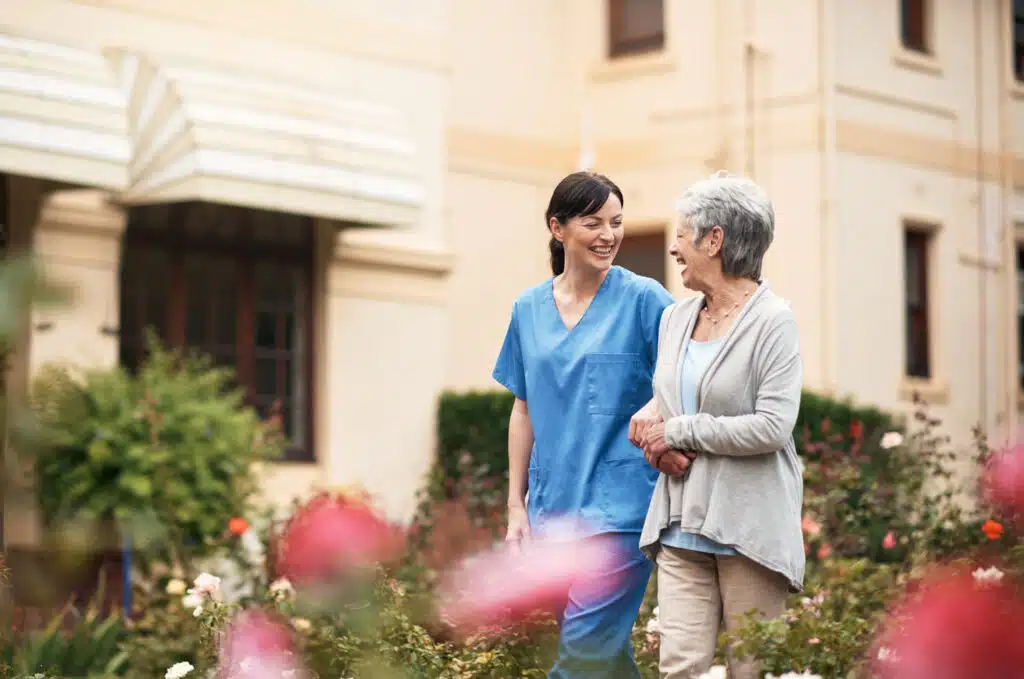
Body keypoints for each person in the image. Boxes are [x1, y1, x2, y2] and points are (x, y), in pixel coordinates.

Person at [493, 171, 675, 678]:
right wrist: (516, 505)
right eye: (593, 222)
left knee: (578, 658)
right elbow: (523, 408)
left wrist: (659, 404)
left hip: (620, 512)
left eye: (616, 222)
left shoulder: (645, 301)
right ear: (558, 228)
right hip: (553, 512)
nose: (609, 234)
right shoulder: (527, 310)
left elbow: (689, 374)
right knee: (607, 661)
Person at [637, 172, 805, 679]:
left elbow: (772, 427)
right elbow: (670, 401)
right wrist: (651, 425)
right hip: (680, 525)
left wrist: (680, 431)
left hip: (749, 528)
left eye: (682, 235)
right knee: (679, 669)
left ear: (715, 240)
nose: (674, 249)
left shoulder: (774, 321)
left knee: (753, 669)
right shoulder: (676, 318)